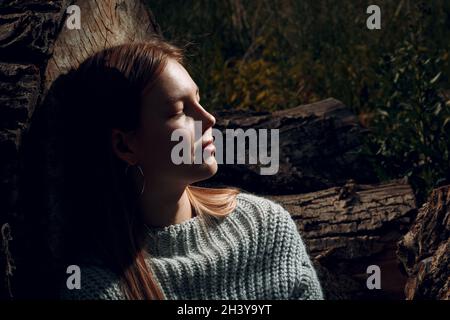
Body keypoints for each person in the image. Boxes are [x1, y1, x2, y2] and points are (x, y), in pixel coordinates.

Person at [58, 37, 323, 300]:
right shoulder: (96, 289)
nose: (208, 118)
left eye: (198, 99)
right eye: (178, 111)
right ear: (124, 146)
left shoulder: (266, 227)